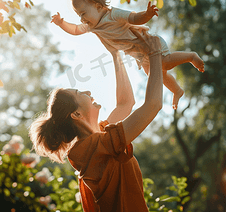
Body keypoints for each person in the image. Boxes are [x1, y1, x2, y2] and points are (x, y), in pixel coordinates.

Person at [29, 35, 163, 212]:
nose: (88, 91)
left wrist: (116, 54)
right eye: (79, 92)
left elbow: (125, 103)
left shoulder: (99, 138)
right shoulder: (95, 148)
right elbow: (153, 104)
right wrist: (155, 54)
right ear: (76, 114)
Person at [51, 0, 204, 109]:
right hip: (141, 55)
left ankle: (191, 56)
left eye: (83, 13)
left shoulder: (114, 15)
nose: (82, 19)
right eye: (79, 15)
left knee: (164, 63)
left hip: (150, 44)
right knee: (156, 75)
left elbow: (134, 18)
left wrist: (147, 14)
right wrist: (61, 23)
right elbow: (76, 30)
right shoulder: (91, 26)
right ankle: (177, 90)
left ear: (98, 6)